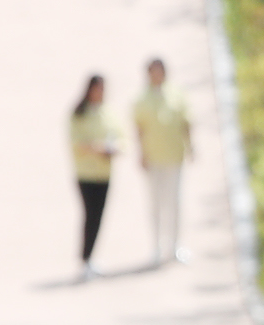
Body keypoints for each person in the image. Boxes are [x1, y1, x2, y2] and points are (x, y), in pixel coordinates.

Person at [134, 57, 195, 266]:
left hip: (174, 156)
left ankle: (175, 245)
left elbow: (186, 122)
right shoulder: (142, 99)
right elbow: (139, 129)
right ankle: (157, 246)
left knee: (175, 202)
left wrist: (191, 147)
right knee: (156, 203)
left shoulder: (176, 94)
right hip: (154, 158)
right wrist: (141, 153)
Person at [67, 74, 119, 280]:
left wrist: (113, 149)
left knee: (98, 216)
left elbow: (120, 136)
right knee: (89, 215)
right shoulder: (79, 114)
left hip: (104, 173)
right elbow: (77, 143)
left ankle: (90, 257)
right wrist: (97, 148)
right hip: (86, 173)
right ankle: (85, 257)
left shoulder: (107, 113)